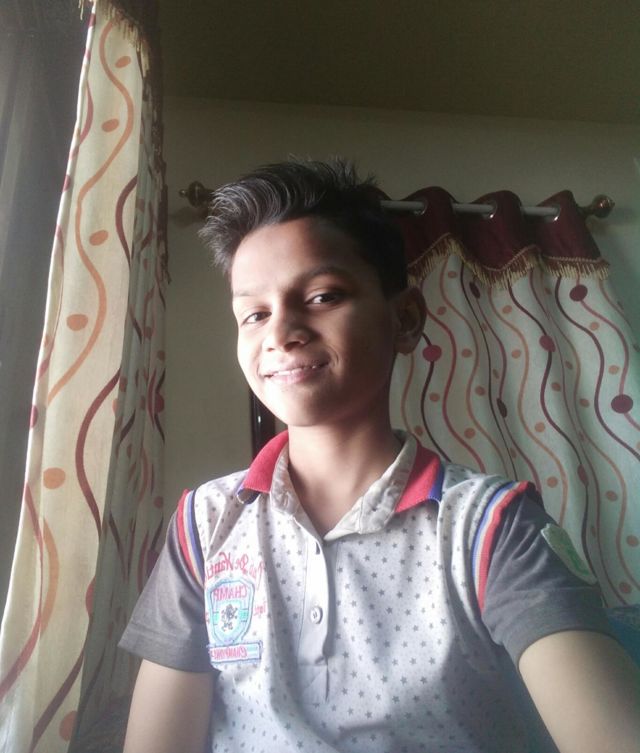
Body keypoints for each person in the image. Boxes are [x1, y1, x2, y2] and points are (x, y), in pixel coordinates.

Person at [119, 160, 639, 753]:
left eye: (322, 296)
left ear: (405, 319)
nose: (281, 332)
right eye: (255, 313)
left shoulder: (492, 527)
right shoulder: (203, 524)